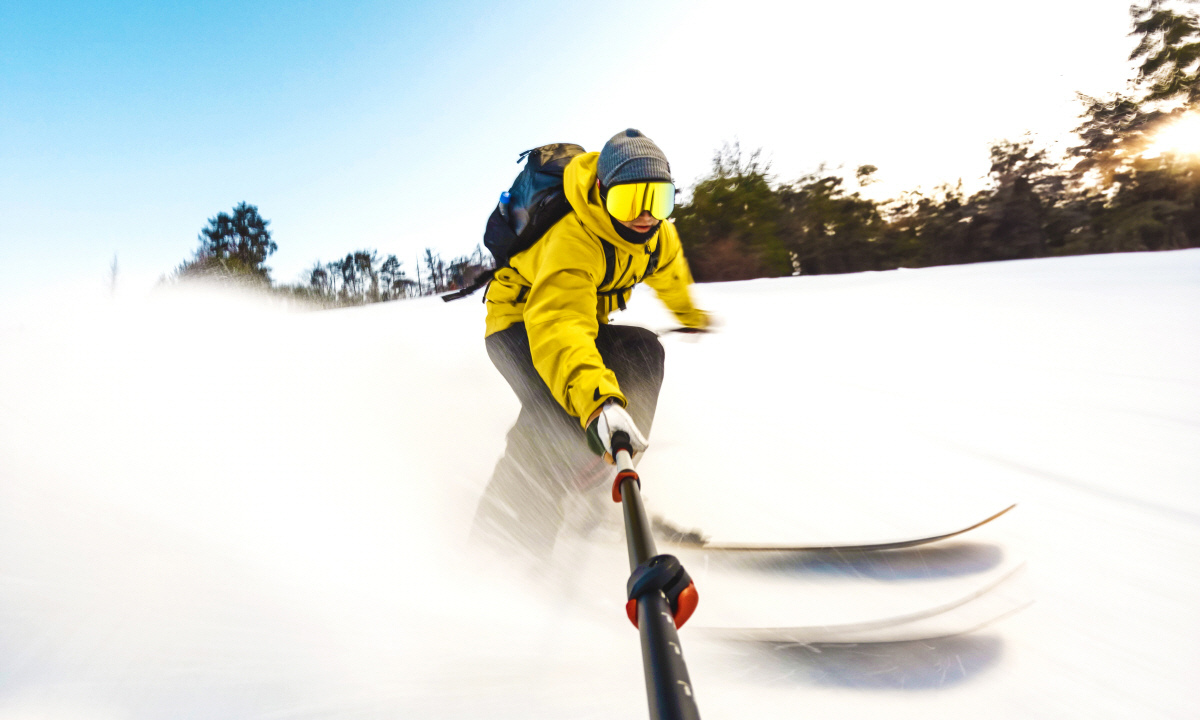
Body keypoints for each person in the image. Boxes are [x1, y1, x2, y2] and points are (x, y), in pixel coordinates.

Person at [472, 129, 709, 557]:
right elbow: (559, 327)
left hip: (578, 323)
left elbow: (670, 274)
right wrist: (599, 403)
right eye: (628, 200)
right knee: (560, 406)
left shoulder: (657, 237)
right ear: (601, 192)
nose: (644, 216)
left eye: (658, 200)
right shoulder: (573, 238)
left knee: (644, 351)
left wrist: (692, 318)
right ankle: (507, 529)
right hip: (519, 326)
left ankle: (596, 485)